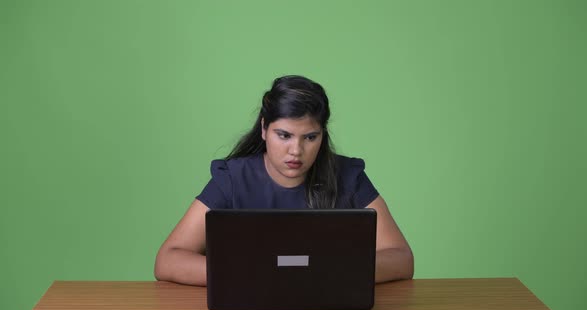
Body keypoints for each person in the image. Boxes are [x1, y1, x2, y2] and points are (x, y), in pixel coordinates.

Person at [154, 75, 414, 286]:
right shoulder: (233, 178)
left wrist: (332, 271)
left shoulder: (348, 176)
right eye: (284, 135)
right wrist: (254, 273)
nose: (296, 151)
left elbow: (401, 258)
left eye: (310, 137)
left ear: (323, 135)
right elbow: (168, 259)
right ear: (264, 129)